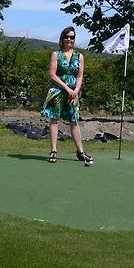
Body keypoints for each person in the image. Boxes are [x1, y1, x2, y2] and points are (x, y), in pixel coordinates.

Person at [41, 26, 93, 164]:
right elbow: (52, 75)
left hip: (73, 94)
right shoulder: (56, 54)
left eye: (72, 37)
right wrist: (66, 88)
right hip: (58, 91)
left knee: (74, 121)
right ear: (62, 39)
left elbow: (80, 76)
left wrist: (75, 90)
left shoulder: (79, 56)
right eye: (67, 37)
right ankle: (53, 151)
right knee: (55, 120)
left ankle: (80, 152)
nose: (69, 39)